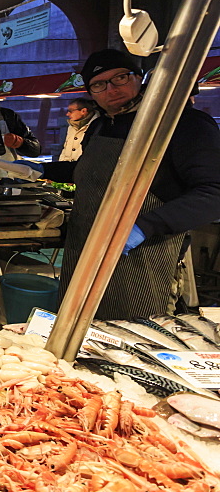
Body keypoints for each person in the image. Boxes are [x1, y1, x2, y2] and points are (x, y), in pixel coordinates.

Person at [30, 49, 220, 320]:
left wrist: (144, 227)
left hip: (145, 256)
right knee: (80, 335)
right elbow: (93, 171)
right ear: (91, 92)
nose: (111, 89)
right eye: (99, 84)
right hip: (85, 249)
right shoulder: (101, 126)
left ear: (139, 77)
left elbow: (213, 193)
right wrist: (40, 170)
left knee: (139, 342)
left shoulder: (182, 124)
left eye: (120, 78)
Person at [56, 97, 99, 162]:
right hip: (67, 167)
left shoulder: (97, 126)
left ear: (83, 111)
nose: (67, 114)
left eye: (70, 111)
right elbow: (65, 149)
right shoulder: (71, 126)